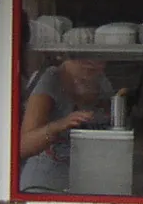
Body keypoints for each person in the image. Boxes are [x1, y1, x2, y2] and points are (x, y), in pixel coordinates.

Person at [18, 53, 113, 193]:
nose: (90, 64)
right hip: (43, 186)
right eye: (81, 57)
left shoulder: (102, 83)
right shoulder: (51, 80)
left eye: (98, 58)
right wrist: (59, 125)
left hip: (87, 184)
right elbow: (23, 146)